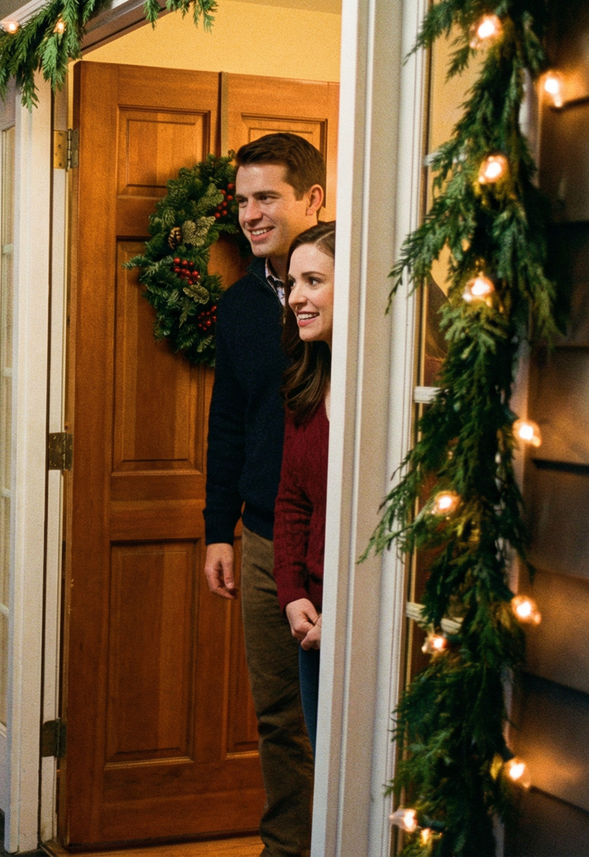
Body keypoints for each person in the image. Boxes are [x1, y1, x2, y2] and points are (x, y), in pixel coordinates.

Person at [202, 132, 325, 857]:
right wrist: (219, 529)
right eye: (244, 200)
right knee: (278, 712)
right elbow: (228, 422)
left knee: (333, 708)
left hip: (332, 538)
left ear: (310, 198)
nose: (251, 214)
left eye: (266, 197)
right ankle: (286, 849)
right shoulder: (243, 303)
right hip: (258, 537)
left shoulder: (349, 290)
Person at [275, 222, 337, 742]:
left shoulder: (411, 388)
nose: (297, 297)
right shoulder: (309, 383)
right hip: (313, 626)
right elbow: (294, 504)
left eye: (313, 281)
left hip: (375, 626)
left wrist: (343, 614)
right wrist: (294, 594)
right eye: (293, 284)